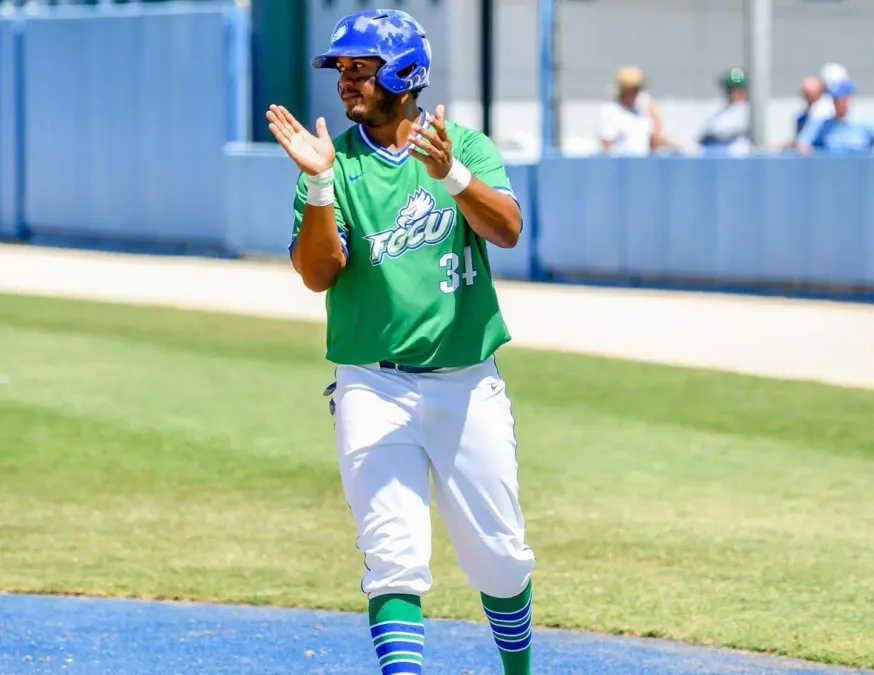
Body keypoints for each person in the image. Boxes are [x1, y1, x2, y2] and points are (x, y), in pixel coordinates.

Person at [266, 9, 535, 675]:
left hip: (467, 380)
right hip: (372, 383)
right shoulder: (335, 164)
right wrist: (322, 183)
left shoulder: (462, 145)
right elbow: (317, 273)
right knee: (392, 555)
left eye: (363, 69)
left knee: (499, 555)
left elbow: (508, 230)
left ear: (406, 75)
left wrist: (453, 178)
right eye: (343, 71)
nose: (348, 82)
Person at [795, 79, 874, 154]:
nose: (836, 103)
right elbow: (802, 143)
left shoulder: (863, 123)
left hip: (859, 178)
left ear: (847, 99)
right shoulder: (823, 124)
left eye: (839, 99)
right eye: (833, 99)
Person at [598, 65, 669, 155]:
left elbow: (655, 141)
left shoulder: (644, 108)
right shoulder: (610, 110)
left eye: (637, 89)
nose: (634, 93)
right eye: (630, 89)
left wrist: (655, 116)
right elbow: (606, 145)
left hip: (644, 162)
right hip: (622, 163)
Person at [698, 67, 752, 155]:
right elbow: (704, 133)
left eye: (730, 89)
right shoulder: (721, 111)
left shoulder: (746, 110)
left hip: (737, 159)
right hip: (717, 158)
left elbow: (720, 131)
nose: (727, 93)